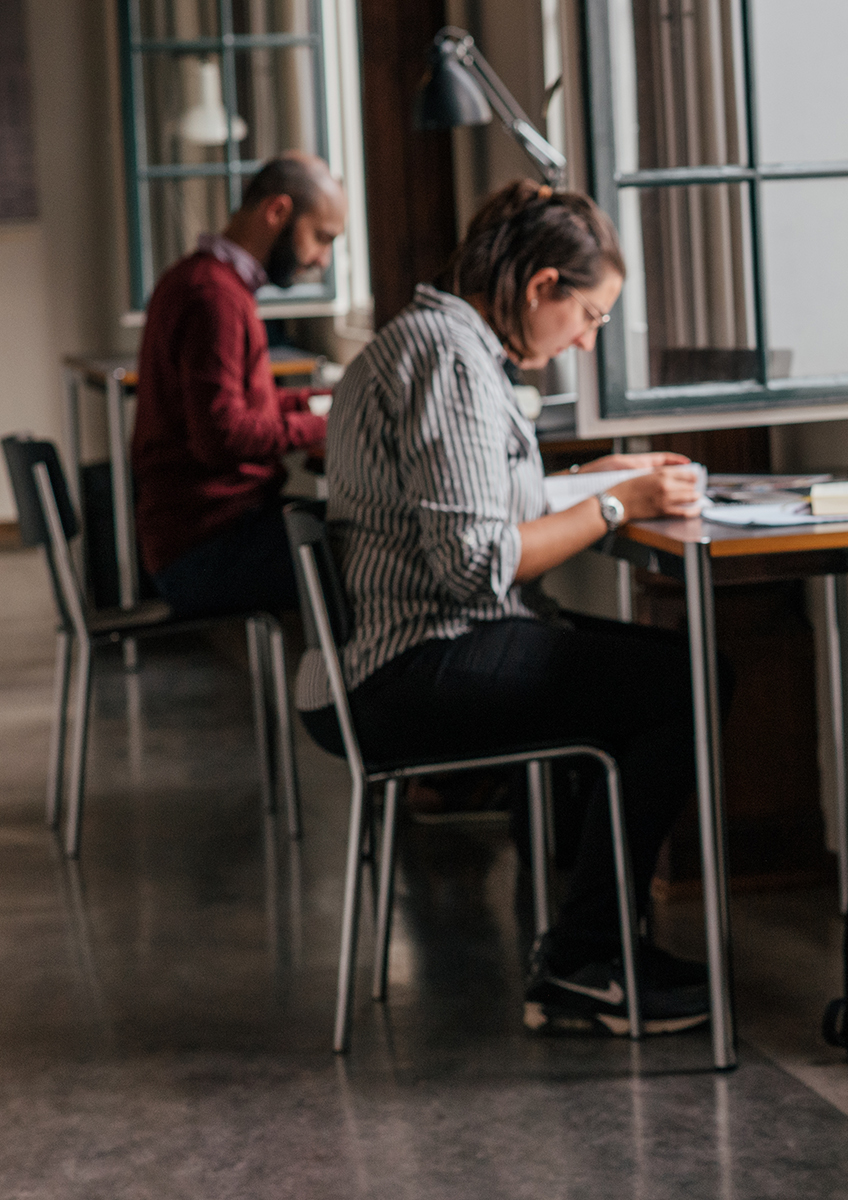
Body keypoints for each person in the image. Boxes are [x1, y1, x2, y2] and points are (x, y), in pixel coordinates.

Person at [295, 180, 712, 1036]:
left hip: (395, 655)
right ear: (540, 287)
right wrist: (617, 506)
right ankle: (587, 962)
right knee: (682, 685)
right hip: (411, 665)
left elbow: (476, 505)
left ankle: (596, 949)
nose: (589, 341)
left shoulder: (442, 346)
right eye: (589, 317)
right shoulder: (449, 363)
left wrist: (593, 479)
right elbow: (478, 566)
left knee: (661, 677)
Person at [131, 151, 347, 618]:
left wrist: (332, 400)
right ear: (278, 212)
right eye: (321, 238)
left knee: (360, 535)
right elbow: (221, 436)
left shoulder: (201, 279)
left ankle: (331, 685)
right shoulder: (214, 297)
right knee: (376, 552)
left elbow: (249, 405)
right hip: (205, 547)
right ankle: (340, 689)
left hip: (197, 537)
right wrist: (331, 426)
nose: (321, 260)